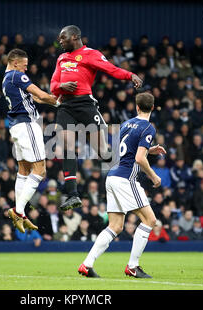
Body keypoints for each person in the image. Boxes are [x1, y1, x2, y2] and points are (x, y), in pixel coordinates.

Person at [51, 25, 143, 211]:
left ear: (75, 36)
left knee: (101, 151)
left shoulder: (90, 54)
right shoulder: (61, 58)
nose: (60, 41)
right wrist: (62, 86)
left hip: (85, 104)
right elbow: (53, 85)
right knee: (67, 148)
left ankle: (127, 171)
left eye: (63, 37)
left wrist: (130, 75)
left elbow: (111, 69)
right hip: (65, 106)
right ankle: (73, 195)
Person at [78, 92, 165, 279]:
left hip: (111, 176)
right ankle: (133, 266)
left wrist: (150, 150)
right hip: (126, 179)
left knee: (116, 226)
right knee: (150, 220)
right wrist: (154, 176)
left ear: (137, 107)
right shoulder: (148, 128)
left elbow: (124, 152)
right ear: (152, 107)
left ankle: (87, 264)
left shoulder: (125, 124)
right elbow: (138, 158)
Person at [1, 48, 58, 233]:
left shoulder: (6, 79)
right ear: (15, 63)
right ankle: (18, 211)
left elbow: (35, 98)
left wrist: (48, 100)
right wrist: (60, 103)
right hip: (27, 125)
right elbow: (40, 94)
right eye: (24, 66)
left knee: (24, 170)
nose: (26, 69)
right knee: (40, 171)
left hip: (15, 127)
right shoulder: (17, 76)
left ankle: (21, 213)